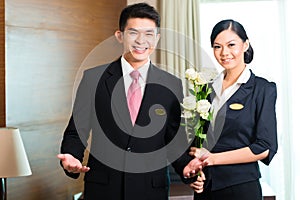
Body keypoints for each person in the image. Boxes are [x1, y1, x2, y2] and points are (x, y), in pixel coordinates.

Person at [57, 3, 203, 200]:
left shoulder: (171, 84)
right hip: (103, 190)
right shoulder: (93, 79)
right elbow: (77, 131)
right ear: (120, 36)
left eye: (149, 34)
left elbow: (173, 140)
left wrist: (187, 167)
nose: (141, 41)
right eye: (133, 33)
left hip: (151, 190)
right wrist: (71, 157)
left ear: (157, 38)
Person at [189, 19, 278, 200]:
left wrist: (212, 158)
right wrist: (194, 171)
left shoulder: (262, 89)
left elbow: (264, 147)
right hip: (205, 187)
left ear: (245, 45)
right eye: (217, 46)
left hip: (241, 188)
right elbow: (198, 139)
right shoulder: (205, 89)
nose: (224, 53)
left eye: (231, 45)